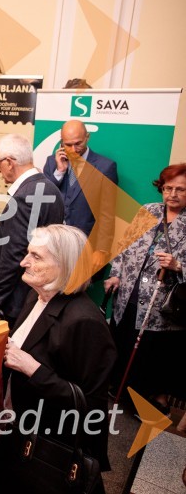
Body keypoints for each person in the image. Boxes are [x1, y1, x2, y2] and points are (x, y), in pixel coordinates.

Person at [0, 225, 116, 493]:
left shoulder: (84, 321)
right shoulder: (36, 297)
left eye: (36, 257)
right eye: (28, 254)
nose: (24, 262)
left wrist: (33, 368)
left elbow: (91, 407)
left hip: (49, 453)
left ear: (66, 265)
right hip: (19, 431)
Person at [105, 163, 186, 413]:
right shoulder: (148, 211)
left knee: (149, 356)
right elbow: (124, 246)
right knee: (123, 342)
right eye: (167, 188)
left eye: (180, 189)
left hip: (160, 305)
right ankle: (117, 392)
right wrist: (115, 275)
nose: (172, 194)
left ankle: (142, 402)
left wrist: (179, 265)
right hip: (129, 294)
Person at [0, 134, 64, 323]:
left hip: (14, 301)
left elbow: (14, 254)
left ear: (9, 162)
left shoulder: (25, 196)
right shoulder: (51, 188)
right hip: (35, 293)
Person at [44, 119, 118, 273]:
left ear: (87, 137)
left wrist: (102, 250)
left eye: (78, 143)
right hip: (52, 244)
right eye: (67, 144)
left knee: (75, 293)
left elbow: (107, 214)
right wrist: (59, 172)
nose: (73, 149)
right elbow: (44, 198)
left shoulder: (105, 167)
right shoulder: (52, 162)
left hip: (85, 246)